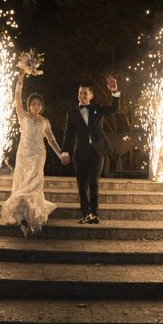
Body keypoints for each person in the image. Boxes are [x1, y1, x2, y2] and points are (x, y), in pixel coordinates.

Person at [0, 70, 63, 237]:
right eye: (33, 104)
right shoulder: (24, 117)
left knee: (34, 188)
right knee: (22, 187)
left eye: (38, 104)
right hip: (23, 157)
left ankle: (34, 219)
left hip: (38, 157)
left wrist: (60, 154)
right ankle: (22, 220)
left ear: (42, 106)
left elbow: (51, 140)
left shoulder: (45, 122)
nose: (36, 106)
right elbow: (17, 101)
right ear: (29, 106)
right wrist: (20, 82)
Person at [61, 77, 120, 224]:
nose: (81, 95)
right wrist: (65, 152)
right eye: (80, 93)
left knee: (93, 182)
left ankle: (94, 214)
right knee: (82, 185)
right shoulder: (72, 113)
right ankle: (85, 214)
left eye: (85, 93)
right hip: (80, 153)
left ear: (91, 96)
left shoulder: (97, 109)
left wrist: (114, 92)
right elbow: (68, 134)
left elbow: (114, 109)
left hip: (97, 151)